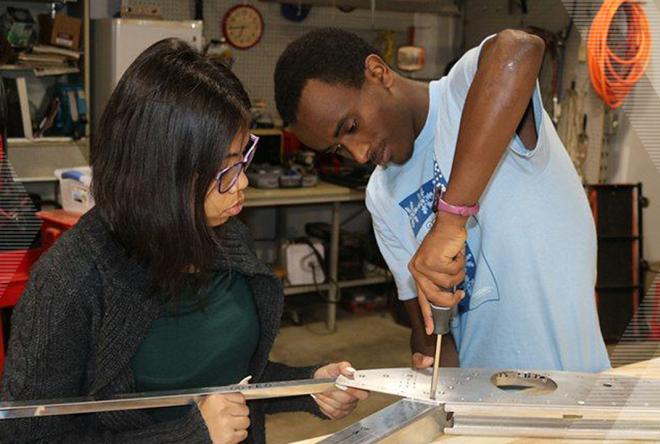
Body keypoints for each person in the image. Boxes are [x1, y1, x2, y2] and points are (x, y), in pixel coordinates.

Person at [0, 38, 367, 444]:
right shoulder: (71, 281)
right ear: (164, 172)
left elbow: (231, 379)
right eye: (226, 170)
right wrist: (188, 436)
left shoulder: (225, 240)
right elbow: (28, 436)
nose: (242, 183)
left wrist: (305, 385)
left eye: (244, 159)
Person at [274, 28, 610, 372]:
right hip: (479, 402)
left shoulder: (463, 94)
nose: (358, 155)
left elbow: (520, 48)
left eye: (350, 126)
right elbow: (430, 335)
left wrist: (450, 221)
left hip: (569, 388)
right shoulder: (381, 193)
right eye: (337, 148)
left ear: (378, 73)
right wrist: (429, 360)